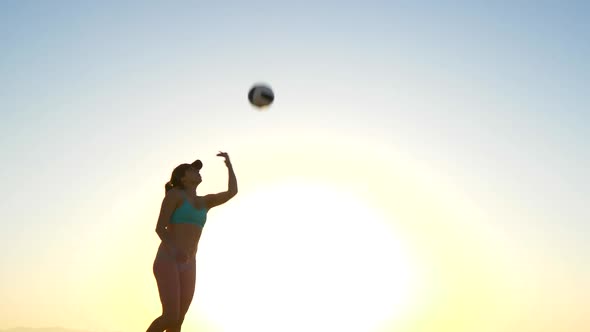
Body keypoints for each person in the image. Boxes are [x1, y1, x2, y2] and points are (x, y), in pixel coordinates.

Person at [146, 151, 238, 332]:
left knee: (178, 320)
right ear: (182, 178)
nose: (197, 172)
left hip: (189, 263)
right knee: (170, 317)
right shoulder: (174, 195)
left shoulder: (205, 201)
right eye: (192, 170)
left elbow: (232, 192)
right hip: (168, 259)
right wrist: (174, 251)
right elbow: (159, 227)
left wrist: (229, 166)